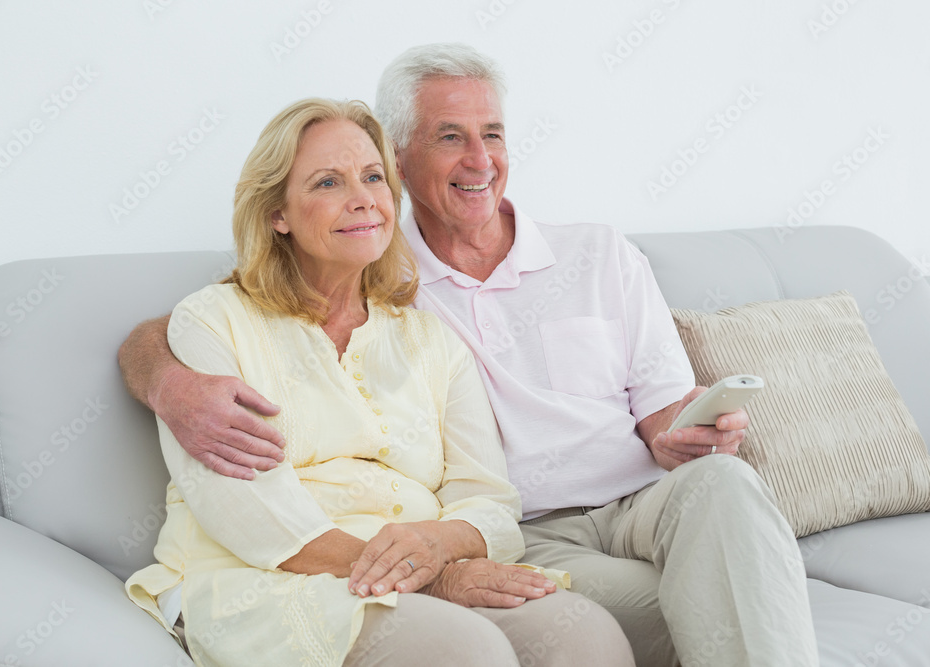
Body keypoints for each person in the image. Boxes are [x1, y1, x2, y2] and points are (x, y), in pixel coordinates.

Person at [119, 45, 820, 666]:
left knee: (725, 494)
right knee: (587, 629)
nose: (479, 159)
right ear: (403, 159)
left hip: (635, 503)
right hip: (516, 537)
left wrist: (688, 432)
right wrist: (165, 379)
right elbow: (191, 329)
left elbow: (617, 434)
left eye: (492, 134)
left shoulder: (564, 267)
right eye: (450, 136)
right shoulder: (389, 287)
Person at [124, 97, 635, 667]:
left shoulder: (430, 339)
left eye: (373, 177)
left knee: (583, 634)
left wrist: (442, 548)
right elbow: (246, 513)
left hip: (423, 568)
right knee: (463, 650)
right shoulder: (212, 321)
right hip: (260, 574)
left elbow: (489, 498)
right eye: (328, 182)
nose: (364, 198)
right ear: (278, 213)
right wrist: (430, 577)